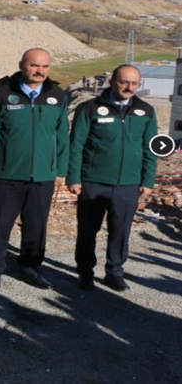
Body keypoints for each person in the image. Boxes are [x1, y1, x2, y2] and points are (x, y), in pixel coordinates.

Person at [0, 48, 68, 289]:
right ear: (22, 65)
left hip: (43, 175)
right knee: (0, 223)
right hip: (7, 172)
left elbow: (62, 135)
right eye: (34, 65)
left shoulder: (57, 95)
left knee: (36, 225)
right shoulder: (1, 93)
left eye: (45, 66)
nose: (40, 71)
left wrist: (61, 170)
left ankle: (30, 268)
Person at [67, 64, 157, 292]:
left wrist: (147, 180)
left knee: (120, 231)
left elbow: (150, 148)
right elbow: (76, 145)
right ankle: (85, 272)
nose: (129, 87)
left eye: (134, 83)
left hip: (128, 184)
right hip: (93, 181)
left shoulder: (146, 111)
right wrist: (74, 177)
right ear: (112, 81)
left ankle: (114, 272)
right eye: (124, 82)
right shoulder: (89, 108)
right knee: (87, 231)